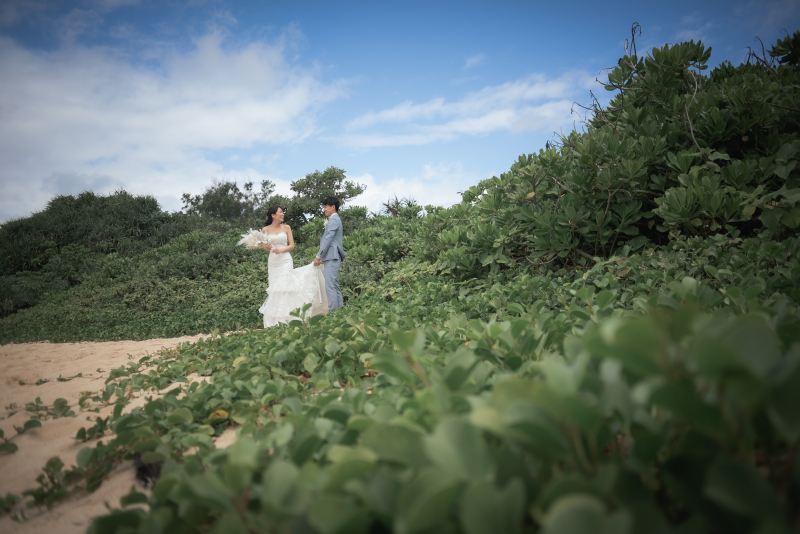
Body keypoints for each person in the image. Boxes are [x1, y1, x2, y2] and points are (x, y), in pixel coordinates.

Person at [258, 206, 328, 328]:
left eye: (283, 212)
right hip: (273, 262)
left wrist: (281, 250)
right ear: (273, 215)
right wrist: (267, 248)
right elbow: (264, 246)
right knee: (275, 289)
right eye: (280, 212)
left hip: (285, 260)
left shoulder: (287, 228)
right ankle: (275, 321)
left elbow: (292, 245)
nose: (283, 214)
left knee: (286, 287)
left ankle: (288, 319)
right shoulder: (265, 229)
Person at [313, 196, 346, 311]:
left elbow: (328, 239)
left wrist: (318, 256)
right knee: (334, 285)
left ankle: (333, 314)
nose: (324, 209)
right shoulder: (334, 219)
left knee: (330, 286)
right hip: (332, 257)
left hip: (332, 256)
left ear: (333, 207)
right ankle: (339, 311)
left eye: (325, 207)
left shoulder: (334, 220)